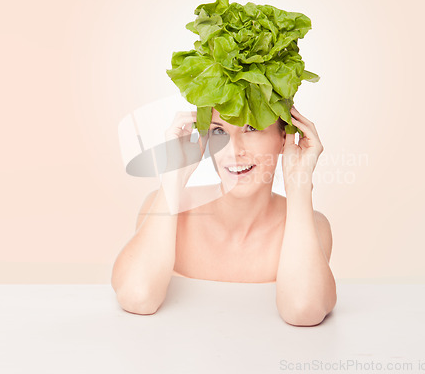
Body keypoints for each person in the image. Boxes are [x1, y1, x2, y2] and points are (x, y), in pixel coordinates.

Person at [111, 105, 337, 326]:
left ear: (284, 136)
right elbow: (136, 297)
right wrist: (173, 179)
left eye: (251, 128)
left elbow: (304, 309)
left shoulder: (311, 225)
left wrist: (299, 185)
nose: (233, 150)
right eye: (219, 131)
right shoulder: (163, 208)